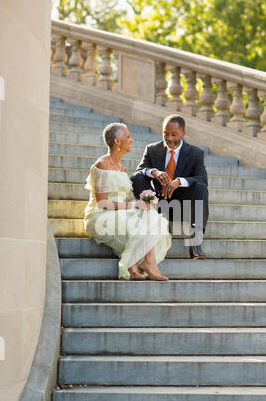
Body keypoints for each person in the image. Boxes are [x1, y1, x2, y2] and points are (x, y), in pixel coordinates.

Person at [83, 123, 171, 281]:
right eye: (128, 137)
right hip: (100, 215)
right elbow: (102, 203)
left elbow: (122, 202)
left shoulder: (122, 169)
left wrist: (142, 203)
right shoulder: (101, 164)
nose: (131, 140)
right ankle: (137, 265)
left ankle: (146, 262)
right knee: (136, 219)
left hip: (117, 212)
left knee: (149, 214)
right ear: (117, 141)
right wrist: (133, 205)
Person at [130, 114, 209, 259]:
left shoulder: (196, 153)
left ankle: (195, 242)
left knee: (201, 187)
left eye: (174, 134)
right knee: (137, 178)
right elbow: (139, 171)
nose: (170, 138)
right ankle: (149, 217)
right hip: (158, 204)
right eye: (166, 133)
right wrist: (154, 172)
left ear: (183, 133)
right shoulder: (152, 149)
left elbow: (202, 179)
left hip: (182, 206)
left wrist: (178, 181)